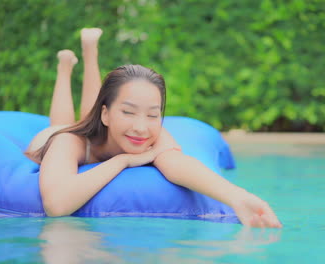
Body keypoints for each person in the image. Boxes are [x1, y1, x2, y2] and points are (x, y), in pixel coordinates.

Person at [26, 28, 282, 228]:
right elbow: (57, 206)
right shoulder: (69, 142)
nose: (141, 127)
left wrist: (238, 197)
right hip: (52, 138)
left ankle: (89, 51)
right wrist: (123, 161)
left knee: (90, 117)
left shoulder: (152, 132)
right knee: (64, 125)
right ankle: (66, 66)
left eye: (152, 114)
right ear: (107, 113)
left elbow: (176, 163)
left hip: (100, 132)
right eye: (127, 112)